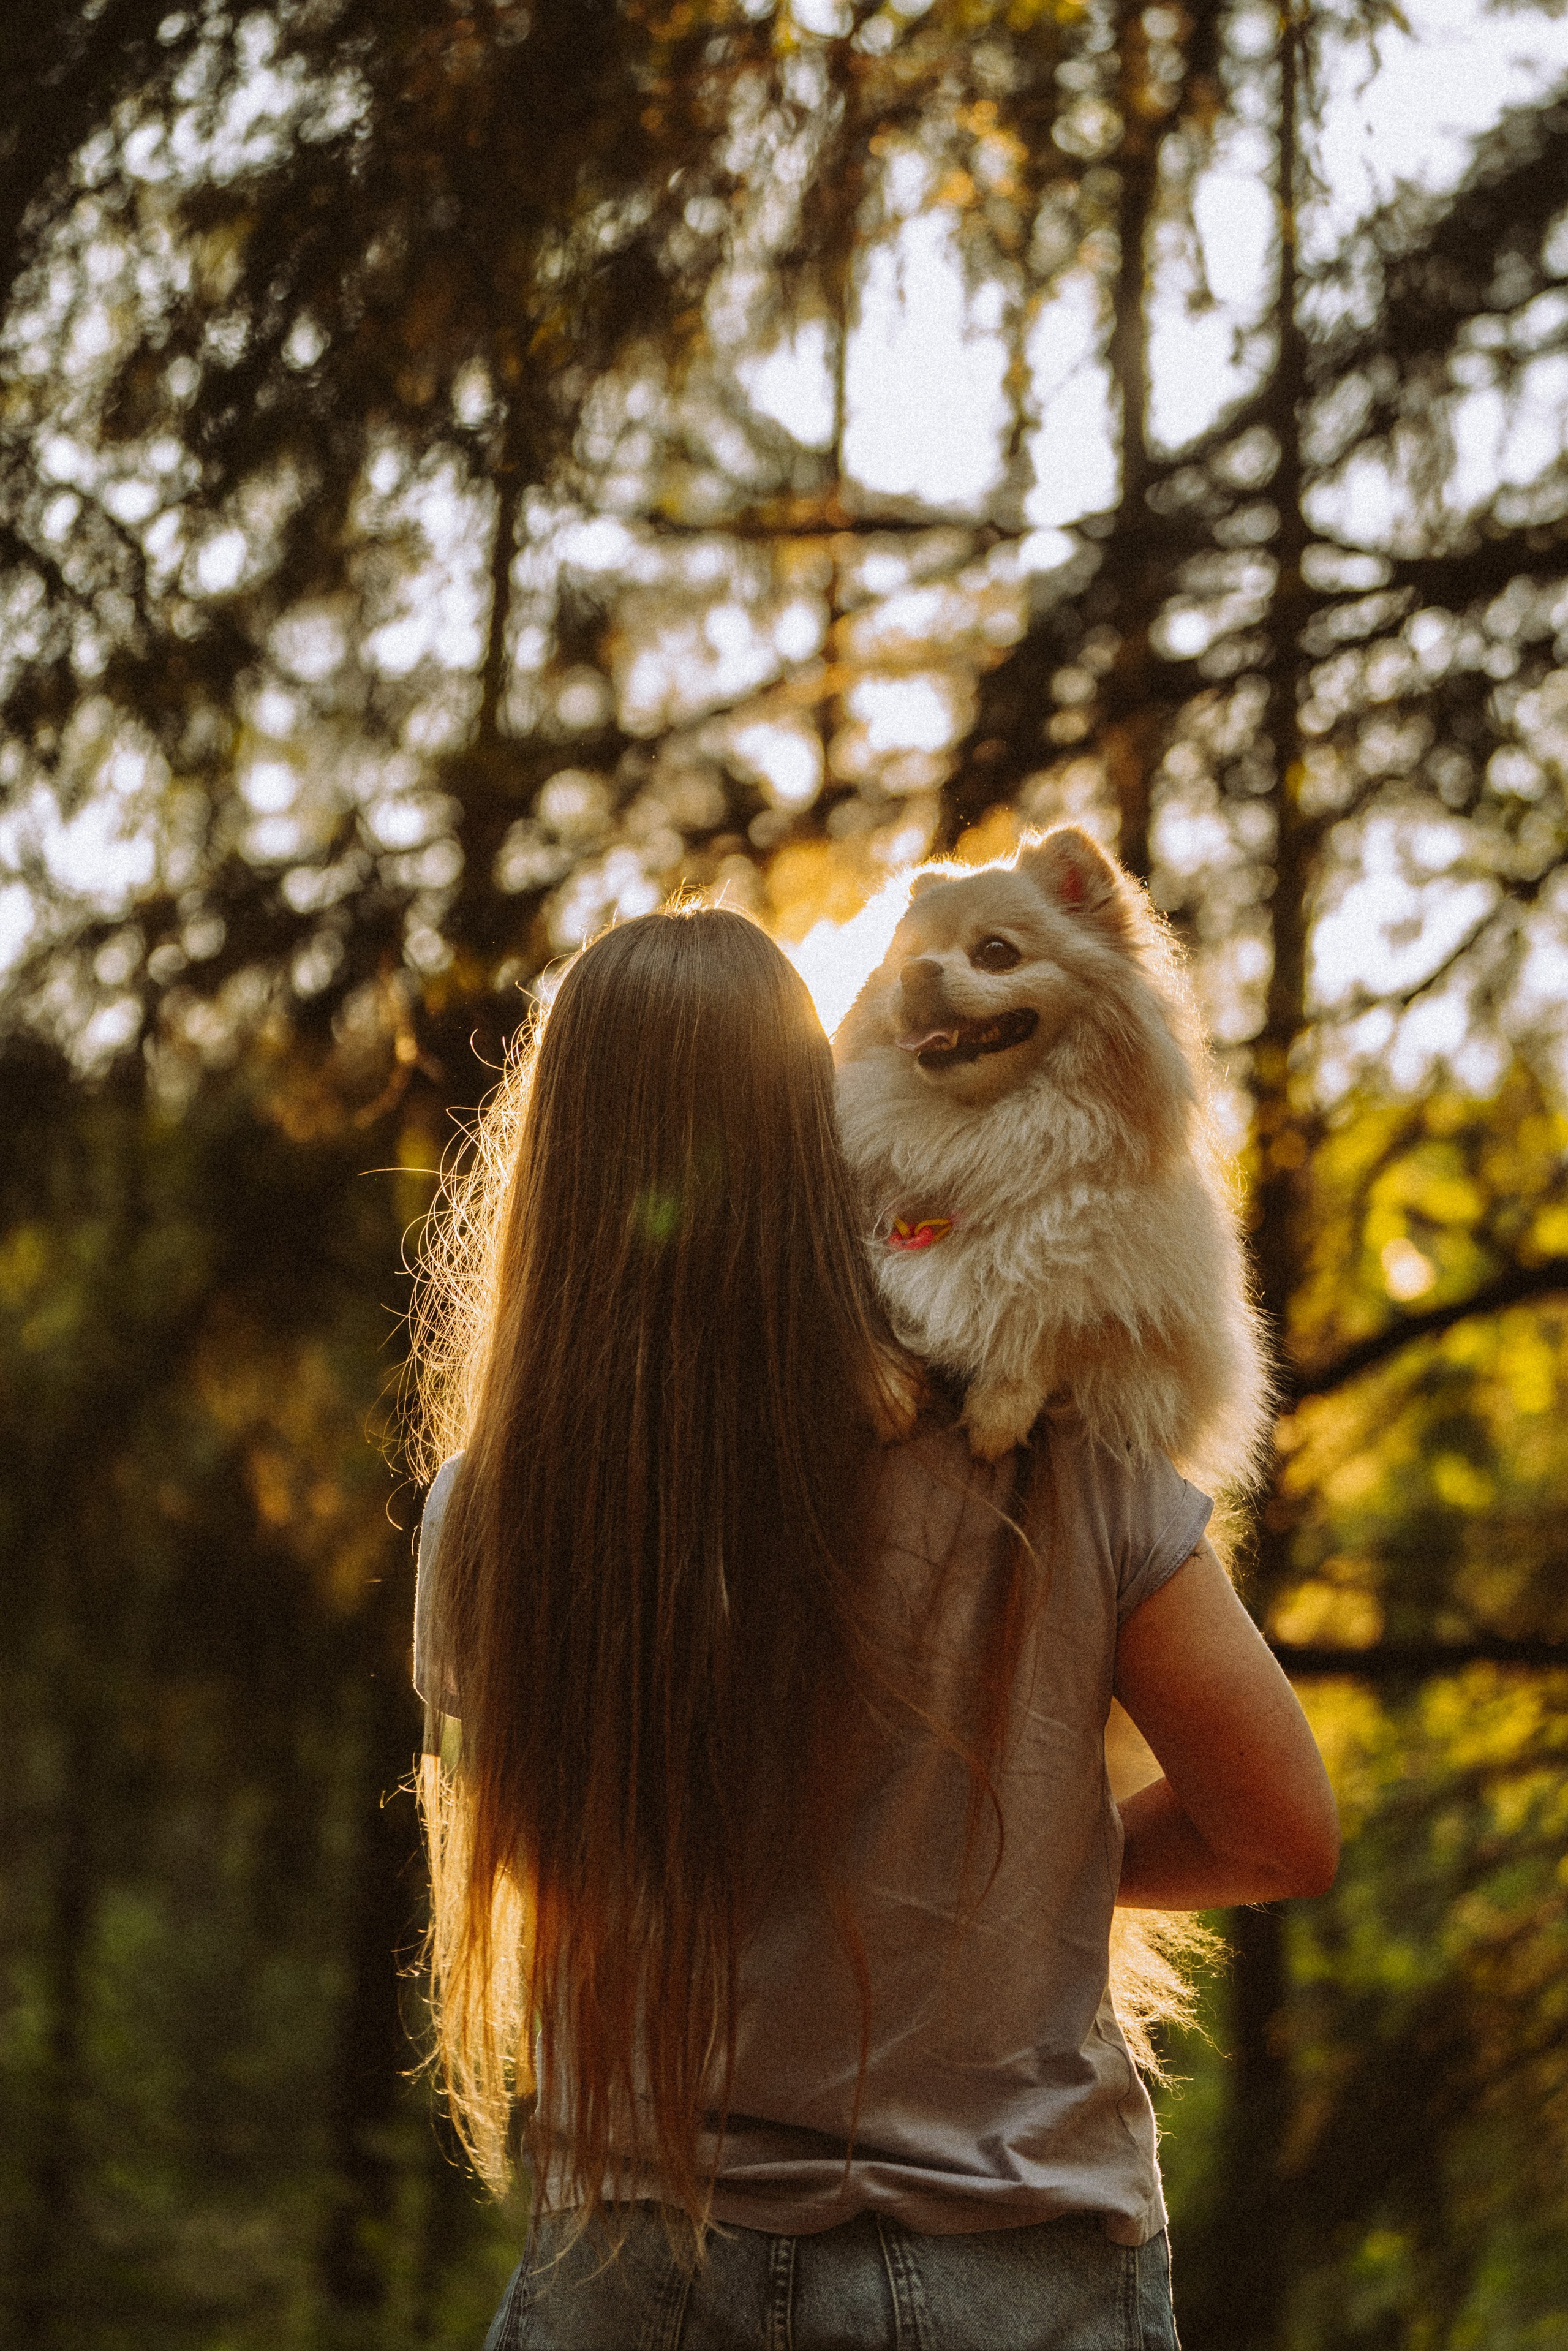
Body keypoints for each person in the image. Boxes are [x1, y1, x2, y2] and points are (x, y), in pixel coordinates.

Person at [407, 904, 1339, 2351]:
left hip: (644, 2268)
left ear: (555, 1165)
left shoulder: (496, 1509)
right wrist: (1024, 1870)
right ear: (812, 1125)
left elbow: (550, 1853)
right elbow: (1278, 1829)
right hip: (1013, 2265)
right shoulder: (1050, 1457)